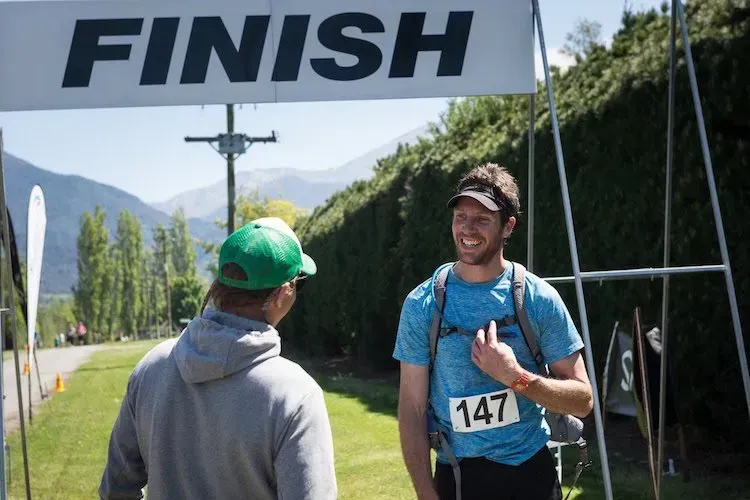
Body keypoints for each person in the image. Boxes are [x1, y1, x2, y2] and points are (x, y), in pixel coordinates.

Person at [393, 163, 593, 500]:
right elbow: (411, 409)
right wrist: (426, 494)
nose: (467, 229)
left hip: (531, 475)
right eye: (461, 217)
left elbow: (583, 400)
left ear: (508, 226)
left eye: (482, 219)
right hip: (457, 478)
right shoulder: (423, 304)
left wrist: (515, 376)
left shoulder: (537, 298)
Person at [99, 217, 338, 500]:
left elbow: (116, 488)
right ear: (283, 293)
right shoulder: (295, 394)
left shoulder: (151, 367)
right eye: (300, 283)